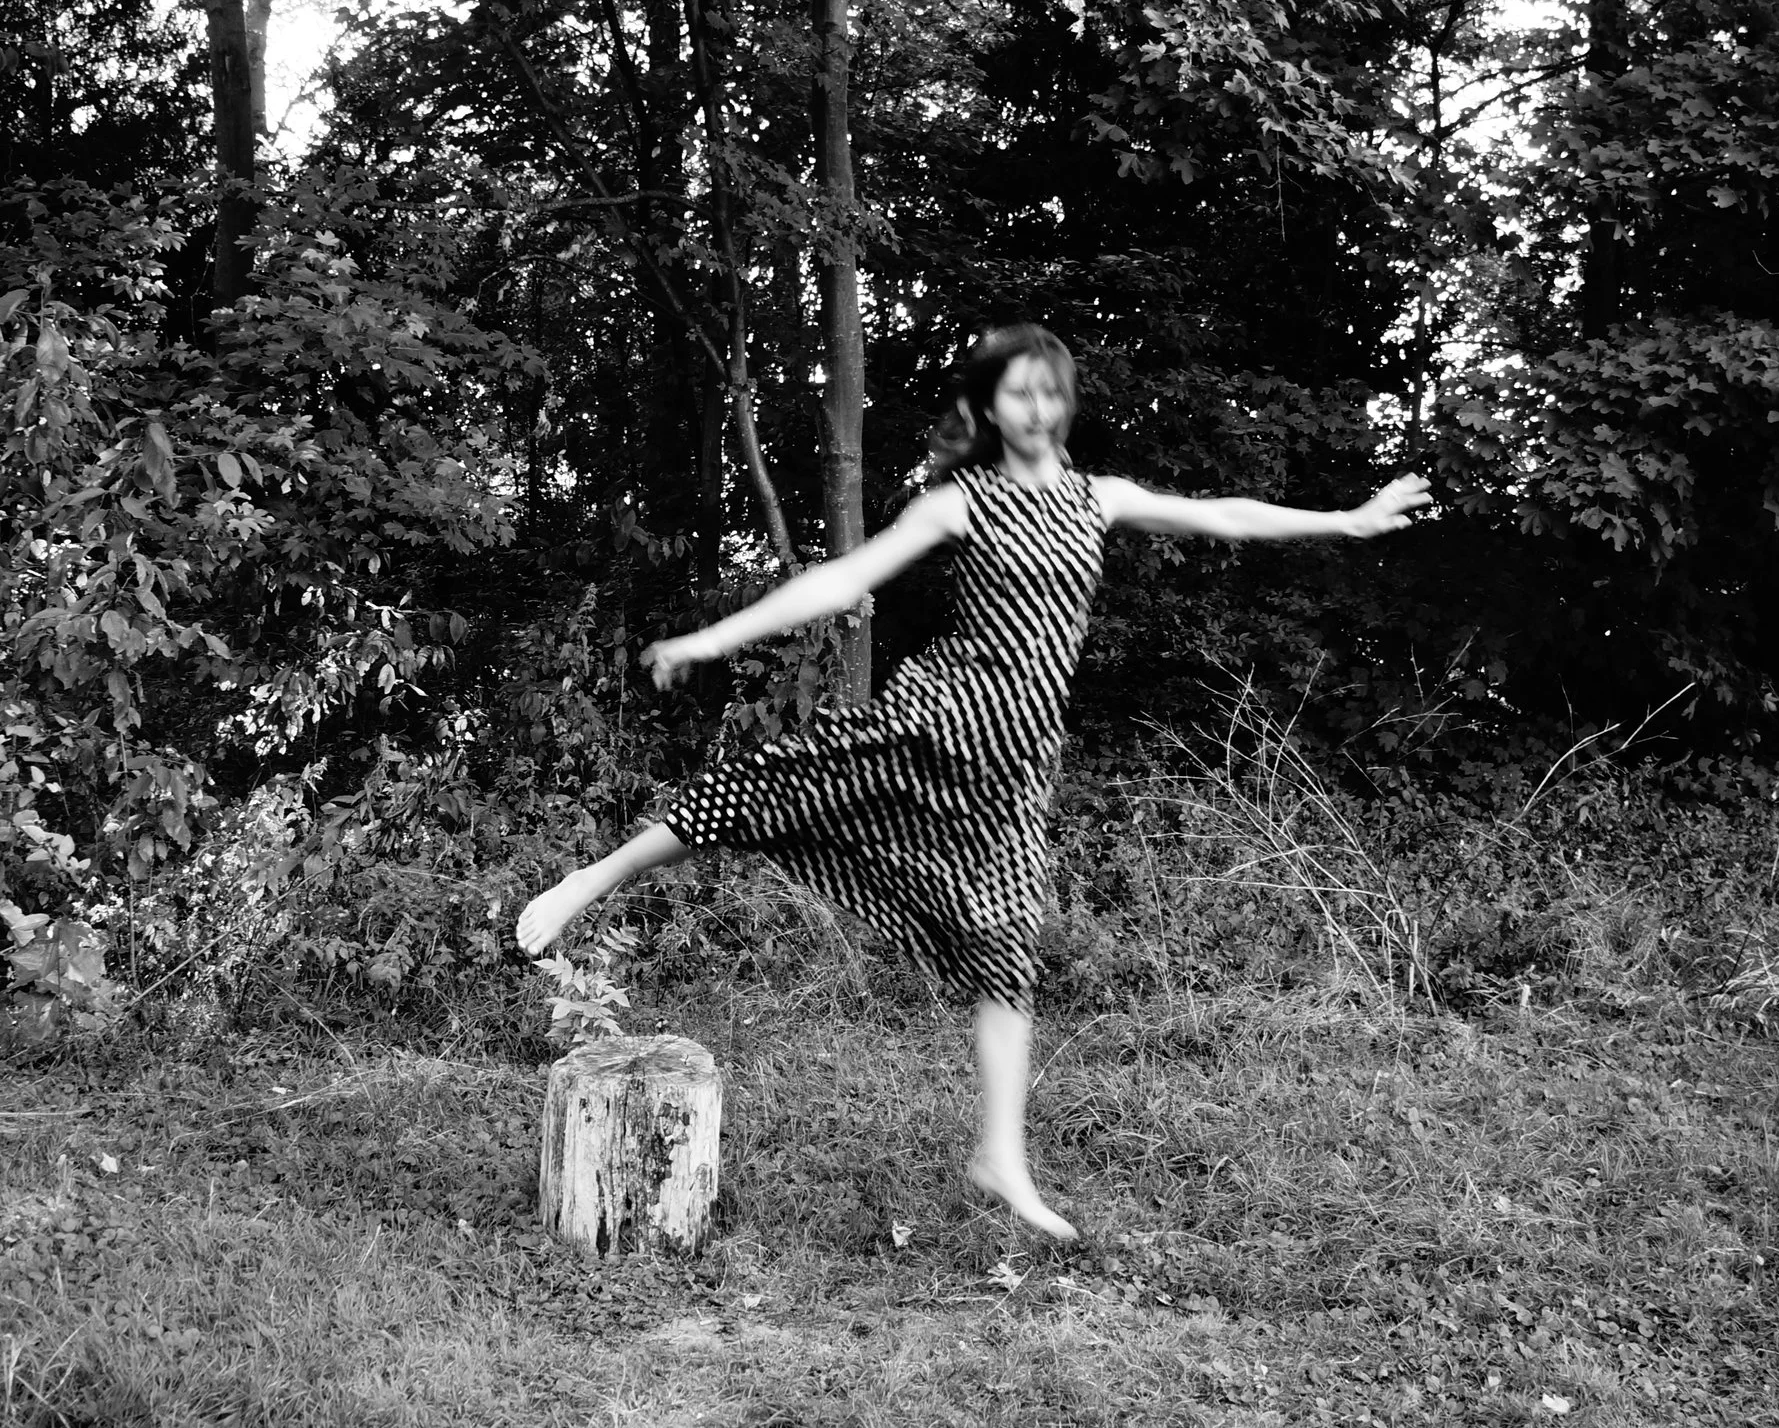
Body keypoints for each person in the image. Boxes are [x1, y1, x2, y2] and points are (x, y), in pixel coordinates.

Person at [517, 324, 1430, 1243]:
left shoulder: (1097, 498)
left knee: (1008, 949)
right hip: (934, 724)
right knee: (762, 789)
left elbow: (1225, 512)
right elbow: (840, 582)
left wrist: (1346, 519)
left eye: (1051, 392)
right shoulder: (962, 503)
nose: (1038, 410)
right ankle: (592, 879)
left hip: (1016, 762)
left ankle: (1002, 1156)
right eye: (1019, 394)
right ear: (990, 407)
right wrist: (712, 638)